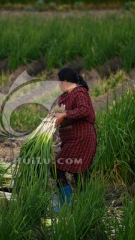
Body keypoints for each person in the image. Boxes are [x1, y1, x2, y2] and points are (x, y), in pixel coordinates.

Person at [53, 67, 97, 211]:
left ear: (65, 81)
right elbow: (63, 114)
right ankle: (78, 205)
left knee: (57, 167)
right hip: (71, 139)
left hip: (82, 139)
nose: (59, 85)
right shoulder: (64, 97)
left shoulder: (79, 93)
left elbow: (84, 110)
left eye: (60, 82)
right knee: (79, 172)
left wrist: (64, 115)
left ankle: (69, 203)